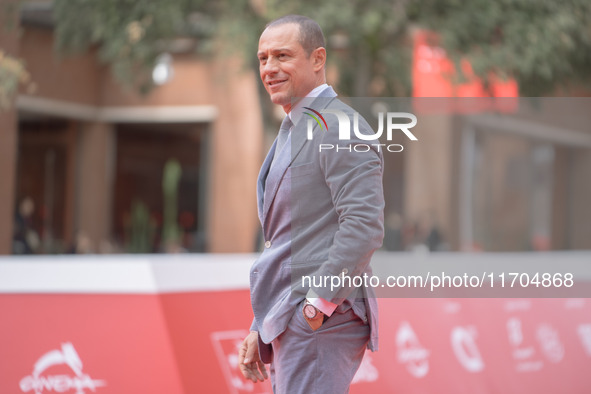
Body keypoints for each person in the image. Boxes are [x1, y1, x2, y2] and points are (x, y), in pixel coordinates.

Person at [238, 15, 384, 393]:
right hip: (292, 317)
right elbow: (285, 239)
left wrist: (317, 306)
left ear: (318, 59)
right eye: (263, 58)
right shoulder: (296, 126)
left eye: (282, 56)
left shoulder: (337, 127)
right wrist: (264, 324)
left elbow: (363, 227)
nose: (270, 68)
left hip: (320, 320)